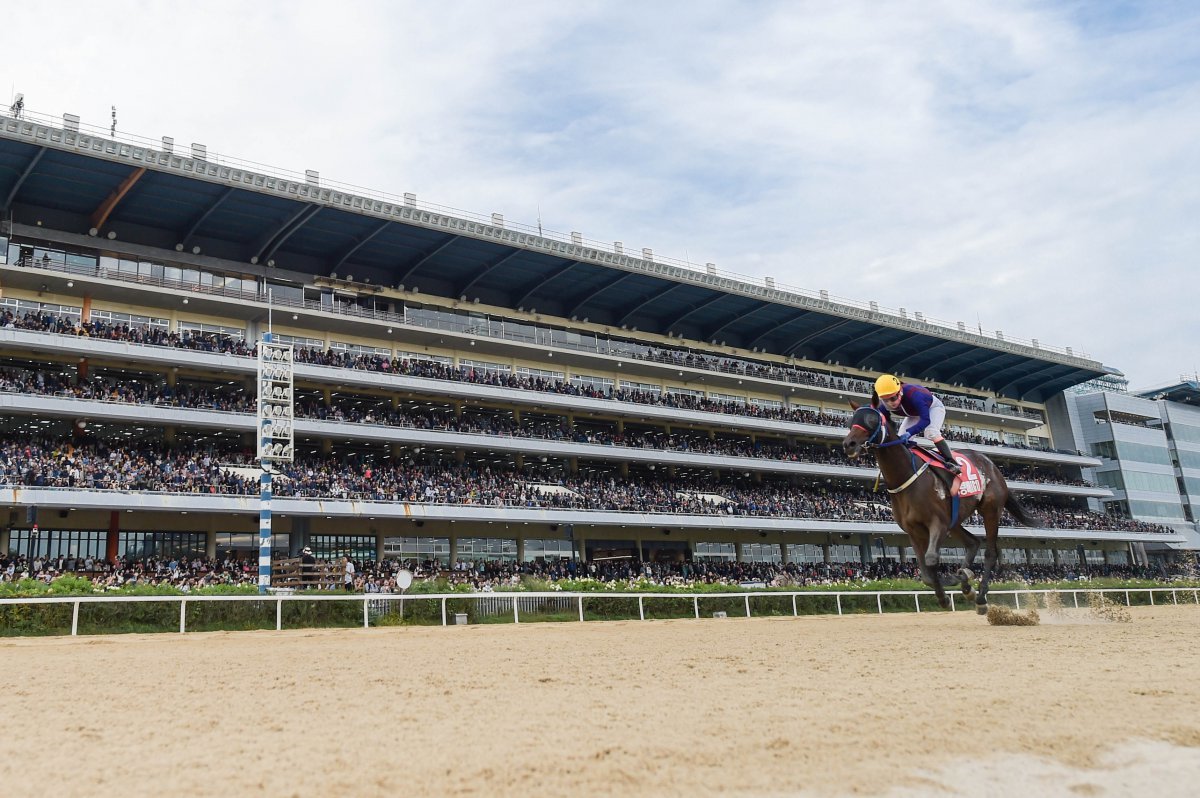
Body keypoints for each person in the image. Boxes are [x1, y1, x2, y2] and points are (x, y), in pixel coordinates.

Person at [870, 374, 960, 476]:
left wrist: (910, 432)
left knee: (931, 432)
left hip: (932, 408)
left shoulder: (915, 395)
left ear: (900, 392)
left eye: (893, 398)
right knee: (900, 442)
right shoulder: (883, 405)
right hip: (913, 414)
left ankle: (952, 461)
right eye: (885, 400)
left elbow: (925, 420)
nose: (890, 403)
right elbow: (886, 423)